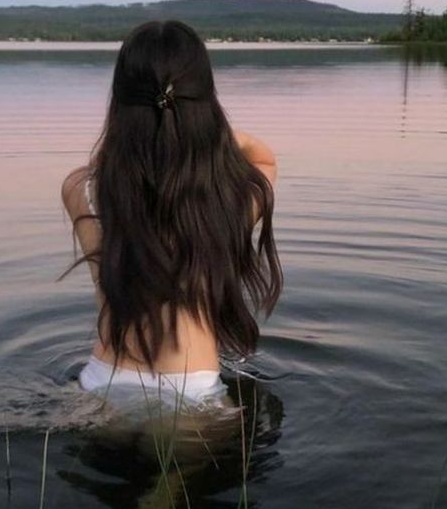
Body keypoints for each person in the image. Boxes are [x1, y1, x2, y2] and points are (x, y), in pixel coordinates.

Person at [61, 20, 282, 403]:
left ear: (121, 101)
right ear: (204, 101)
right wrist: (208, 135)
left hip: (101, 383)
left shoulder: (82, 191)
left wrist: (133, 135)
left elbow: (99, 164)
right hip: (192, 392)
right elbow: (264, 159)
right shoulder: (227, 203)